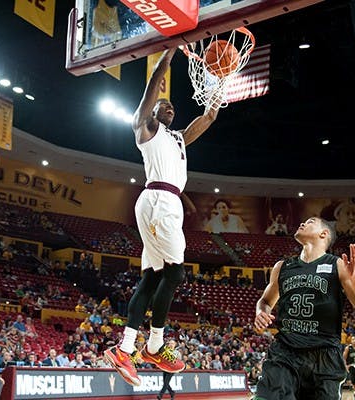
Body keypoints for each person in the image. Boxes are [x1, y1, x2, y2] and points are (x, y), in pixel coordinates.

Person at [104, 47, 219, 386]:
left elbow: (208, 118)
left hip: (164, 204)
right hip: (158, 200)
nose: (169, 106)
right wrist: (167, 57)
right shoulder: (145, 128)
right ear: (151, 112)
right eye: (163, 104)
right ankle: (154, 345)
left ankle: (126, 349)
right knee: (177, 274)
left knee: (153, 279)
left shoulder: (178, 138)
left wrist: (220, 87)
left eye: (172, 105)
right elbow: (153, 88)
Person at [253, 217, 355, 399]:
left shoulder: (338, 265)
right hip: (285, 351)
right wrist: (261, 312)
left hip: (324, 356)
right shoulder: (282, 267)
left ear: (323, 233)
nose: (302, 223)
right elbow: (265, 301)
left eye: (310, 221)